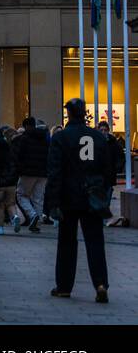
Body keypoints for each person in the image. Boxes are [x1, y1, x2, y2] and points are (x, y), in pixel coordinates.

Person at [45, 98, 117, 303]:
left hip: (68, 196)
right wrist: (102, 190)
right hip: (92, 196)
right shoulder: (98, 137)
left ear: (69, 113)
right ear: (84, 113)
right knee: (95, 241)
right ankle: (101, 283)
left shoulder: (61, 138)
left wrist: (53, 201)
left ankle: (64, 286)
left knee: (67, 242)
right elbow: (108, 169)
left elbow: (54, 172)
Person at [12, 116, 49, 231]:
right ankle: (38, 223)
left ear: (25, 126)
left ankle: (33, 215)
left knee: (21, 194)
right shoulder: (44, 138)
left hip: (27, 172)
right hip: (43, 172)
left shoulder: (23, 138)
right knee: (38, 198)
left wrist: (18, 170)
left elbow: (19, 156)